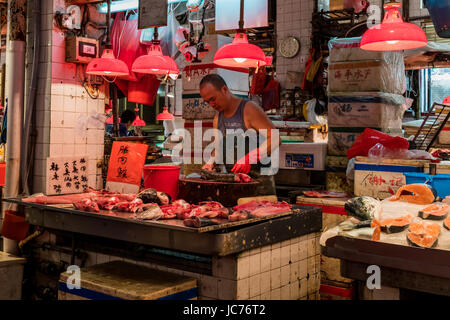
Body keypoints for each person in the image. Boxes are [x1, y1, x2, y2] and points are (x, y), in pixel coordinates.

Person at [199, 74, 279, 195]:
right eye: (207, 102)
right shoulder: (217, 118)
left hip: (259, 187)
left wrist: (250, 158)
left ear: (224, 90)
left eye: (213, 99)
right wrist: (210, 162)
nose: (211, 104)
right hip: (236, 185)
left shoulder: (249, 109)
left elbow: (274, 138)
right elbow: (218, 147)